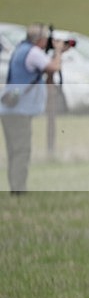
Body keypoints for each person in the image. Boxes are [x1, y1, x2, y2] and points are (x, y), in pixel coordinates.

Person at [0, 23, 68, 194]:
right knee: (22, 151)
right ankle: (19, 191)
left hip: (10, 109)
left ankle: (16, 188)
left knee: (14, 151)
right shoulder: (33, 52)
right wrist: (58, 52)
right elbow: (54, 67)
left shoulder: (20, 50)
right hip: (19, 111)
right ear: (39, 40)